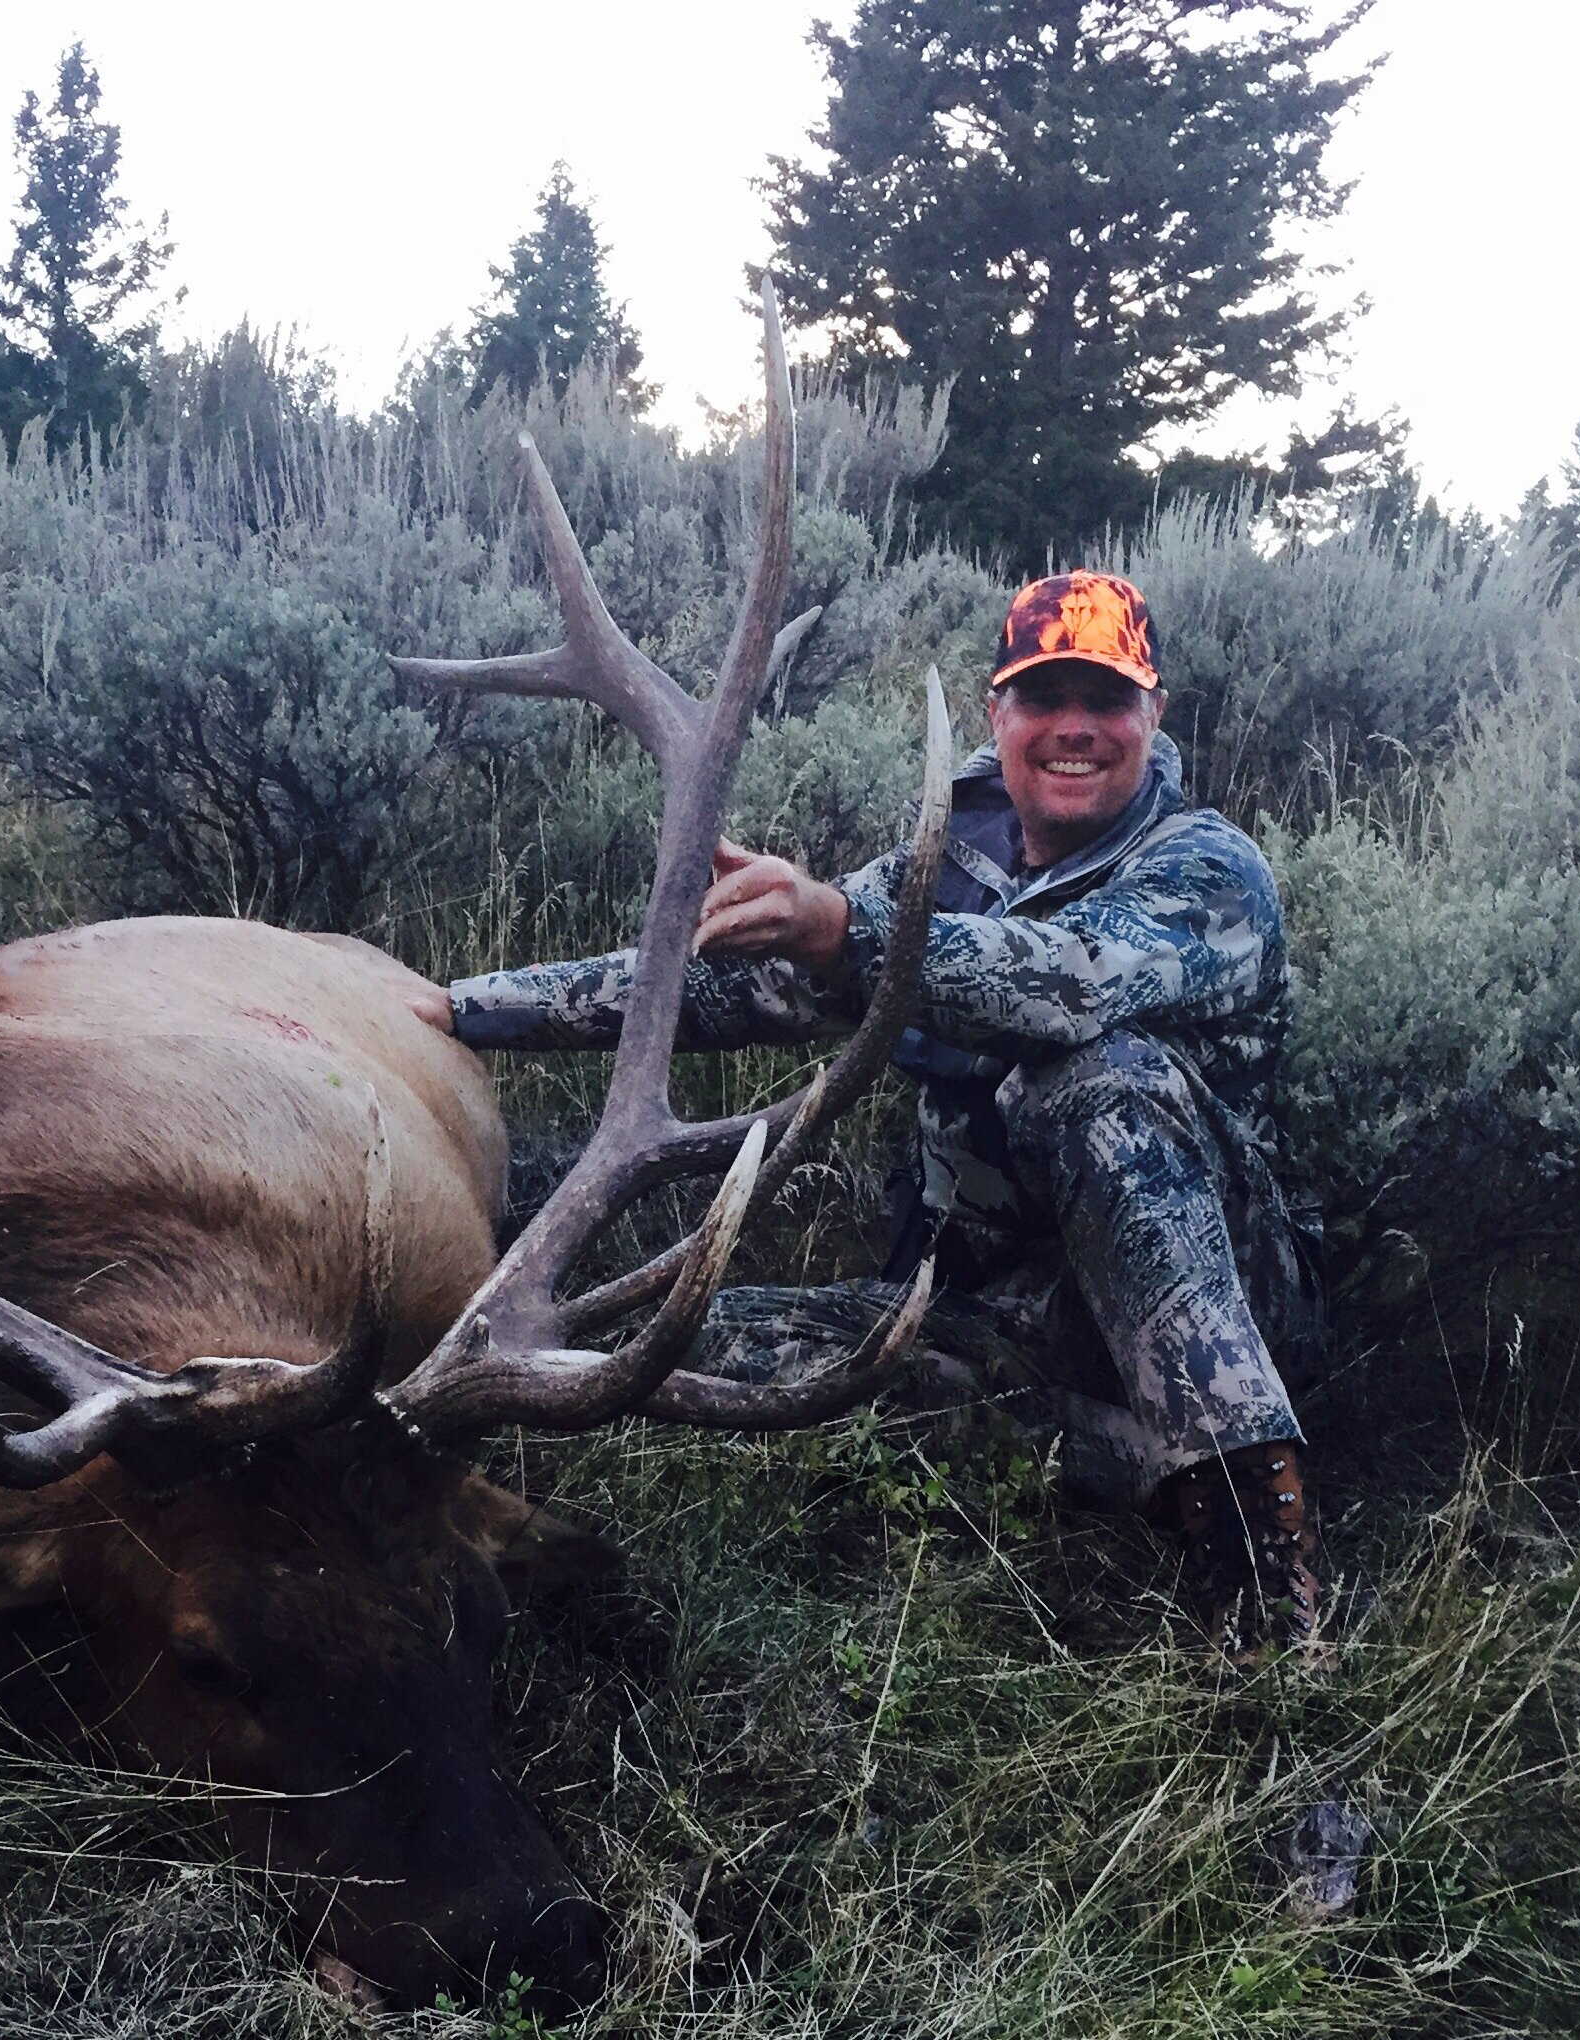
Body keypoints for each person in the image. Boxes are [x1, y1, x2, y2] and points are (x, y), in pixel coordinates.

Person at [409, 571, 1329, 1664]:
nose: (1074, 727)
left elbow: (1065, 979)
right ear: (1000, 712)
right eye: (1045, 697)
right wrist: (463, 1010)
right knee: (678, 1350)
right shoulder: (952, 863)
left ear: (1153, 717)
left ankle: (1262, 1572)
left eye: (1108, 699)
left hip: (1218, 1316)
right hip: (998, 1315)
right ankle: (1126, 1461)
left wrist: (842, 926)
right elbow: (729, 987)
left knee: (1096, 1085)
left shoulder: (1209, 871)